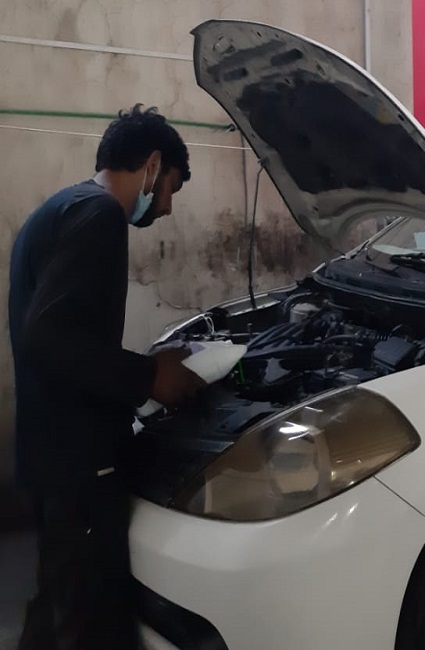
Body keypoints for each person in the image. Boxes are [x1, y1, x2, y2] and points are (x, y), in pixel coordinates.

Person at [8, 104, 207, 649]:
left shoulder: (63, 206)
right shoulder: (99, 217)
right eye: (170, 189)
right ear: (152, 165)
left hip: (48, 452)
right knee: (91, 620)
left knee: (57, 603)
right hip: (78, 464)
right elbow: (50, 337)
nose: (166, 207)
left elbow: (62, 335)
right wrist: (151, 377)